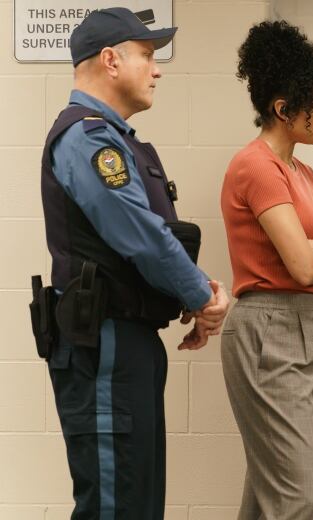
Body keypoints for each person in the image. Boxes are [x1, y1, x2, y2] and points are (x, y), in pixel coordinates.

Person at [38, 8, 229, 518]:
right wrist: (202, 296)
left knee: (136, 501)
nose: (157, 68)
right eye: (146, 55)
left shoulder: (115, 139)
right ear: (109, 60)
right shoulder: (87, 138)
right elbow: (139, 236)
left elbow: (150, 238)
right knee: (115, 504)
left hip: (127, 341)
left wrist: (194, 288)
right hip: (104, 343)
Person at [220, 20, 313, 520]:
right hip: (269, 329)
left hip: (308, 327)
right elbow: (302, 266)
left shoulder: (304, 172)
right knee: (298, 493)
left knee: (269, 487)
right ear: (283, 109)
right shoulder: (256, 167)